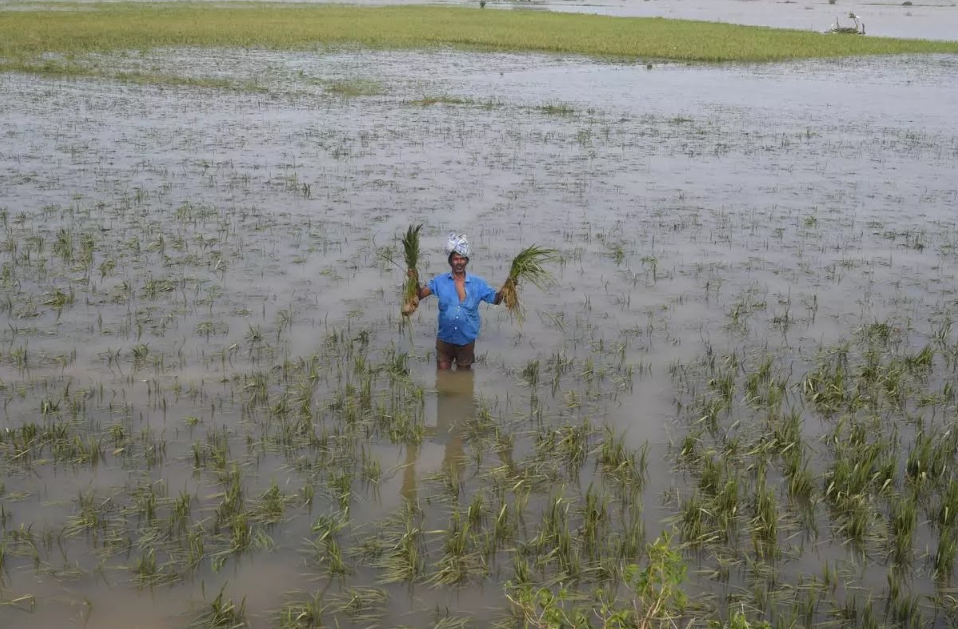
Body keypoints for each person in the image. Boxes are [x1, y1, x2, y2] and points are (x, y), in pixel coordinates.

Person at [412, 233, 512, 370]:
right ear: (450, 261)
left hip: (466, 339)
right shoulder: (439, 281)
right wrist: (414, 279)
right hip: (444, 338)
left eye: (462, 259)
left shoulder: (478, 284)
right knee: (443, 375)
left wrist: (508, 286)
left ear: (467, 261)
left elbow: (496, 300)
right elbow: (419, 295)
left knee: (464, 375)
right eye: (455, 259)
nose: (459, 263)